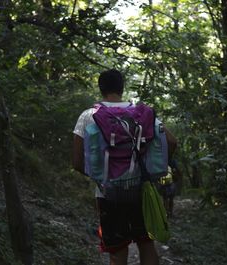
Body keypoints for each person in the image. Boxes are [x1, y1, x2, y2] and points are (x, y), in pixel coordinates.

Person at [72, 69, 177, 265]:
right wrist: (154, 169)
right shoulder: (141, 114)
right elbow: (171, 141)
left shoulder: (89, 115)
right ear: (122, 88)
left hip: (108, 194)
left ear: (101, 88)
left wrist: (99, 177)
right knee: (146, 244)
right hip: (142, 190)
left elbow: (77, 162)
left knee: (117, 250)